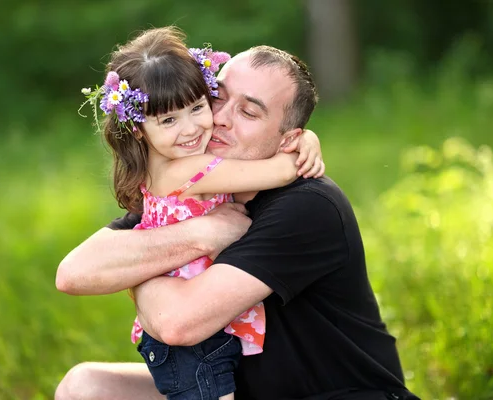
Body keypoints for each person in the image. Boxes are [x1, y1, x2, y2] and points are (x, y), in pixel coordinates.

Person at [56, 31, 419, 400]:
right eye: (216, 98)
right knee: (84, 387)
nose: (220, 119)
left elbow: (176, 323)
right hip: (237, 388)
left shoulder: (308, 205)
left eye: (248, 111)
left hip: (341, 395)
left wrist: (140, 267)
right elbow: (74, 273)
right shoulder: (190, 196)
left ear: (287, 139)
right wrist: (198, 235)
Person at [71, 26, 325, 400]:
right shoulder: (188, 170)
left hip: (192, 343)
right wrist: (303, 141)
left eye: (197, 107)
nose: (192, 129)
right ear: (139, 129)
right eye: (169, 120)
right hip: (192, 348)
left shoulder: (164, 168)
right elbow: (281, 171)